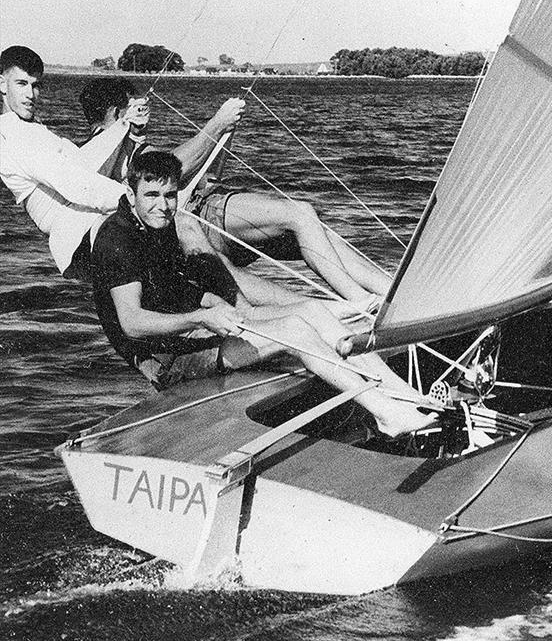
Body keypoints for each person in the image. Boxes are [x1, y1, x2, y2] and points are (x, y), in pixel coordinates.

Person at [91, 149, 434, 437]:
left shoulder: (159, 224)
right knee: (294, 330)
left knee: (315, 313)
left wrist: (211, 303)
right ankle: (385, 415)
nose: (163, 206)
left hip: (197, 335)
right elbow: (132, 323)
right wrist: (200, 316)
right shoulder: (117, 241)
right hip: (173, 364)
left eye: (170, 195)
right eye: (152, 195)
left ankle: (402, 395)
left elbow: (174, 290)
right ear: (129, 190)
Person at [78, 76, 390, 305]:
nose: (144, 115)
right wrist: (216, 123)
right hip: (198, 220)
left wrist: (224, 136)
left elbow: (207, 175)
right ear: (116, 114)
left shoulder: (128, 145)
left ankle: (386, 292)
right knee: (300, 214)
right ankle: (358, 303)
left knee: (312, 231)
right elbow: (171, 171)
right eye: (136, 109)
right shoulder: (103, 151)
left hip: (203, 217)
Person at [0, 45, 242, 279]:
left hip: (87, 231)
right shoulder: (13, 136)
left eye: (36, 85)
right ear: (2, 84)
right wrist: (139, 201)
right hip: (80, 239)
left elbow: (82, 163)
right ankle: (243, 307)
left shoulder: (29, 129)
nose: (31, 95)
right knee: (185, 227)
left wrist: (126, 126)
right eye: (21, 84)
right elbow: (78, 185)